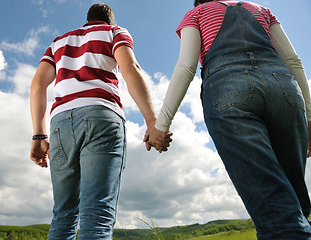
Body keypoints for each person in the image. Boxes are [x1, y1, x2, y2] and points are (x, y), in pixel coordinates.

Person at [145, 0, 311, 239]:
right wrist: (309, 117)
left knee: (276, 213)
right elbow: (294, 60)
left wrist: (161, 126)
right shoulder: (263, 10)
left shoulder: (196, 12)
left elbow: (186, 66)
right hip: (284, 88)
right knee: (295, 204)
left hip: (229, 90)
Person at [30, 3, 171, 239]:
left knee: (63, 216)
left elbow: (37, 85)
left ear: (87, 19)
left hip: (60, 123)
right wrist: (151, 120)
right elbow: (130, 67)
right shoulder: (114, 32)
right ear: (109, 20)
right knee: (96, 215)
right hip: (101, 116)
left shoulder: (58, 42)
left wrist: (39, 135)